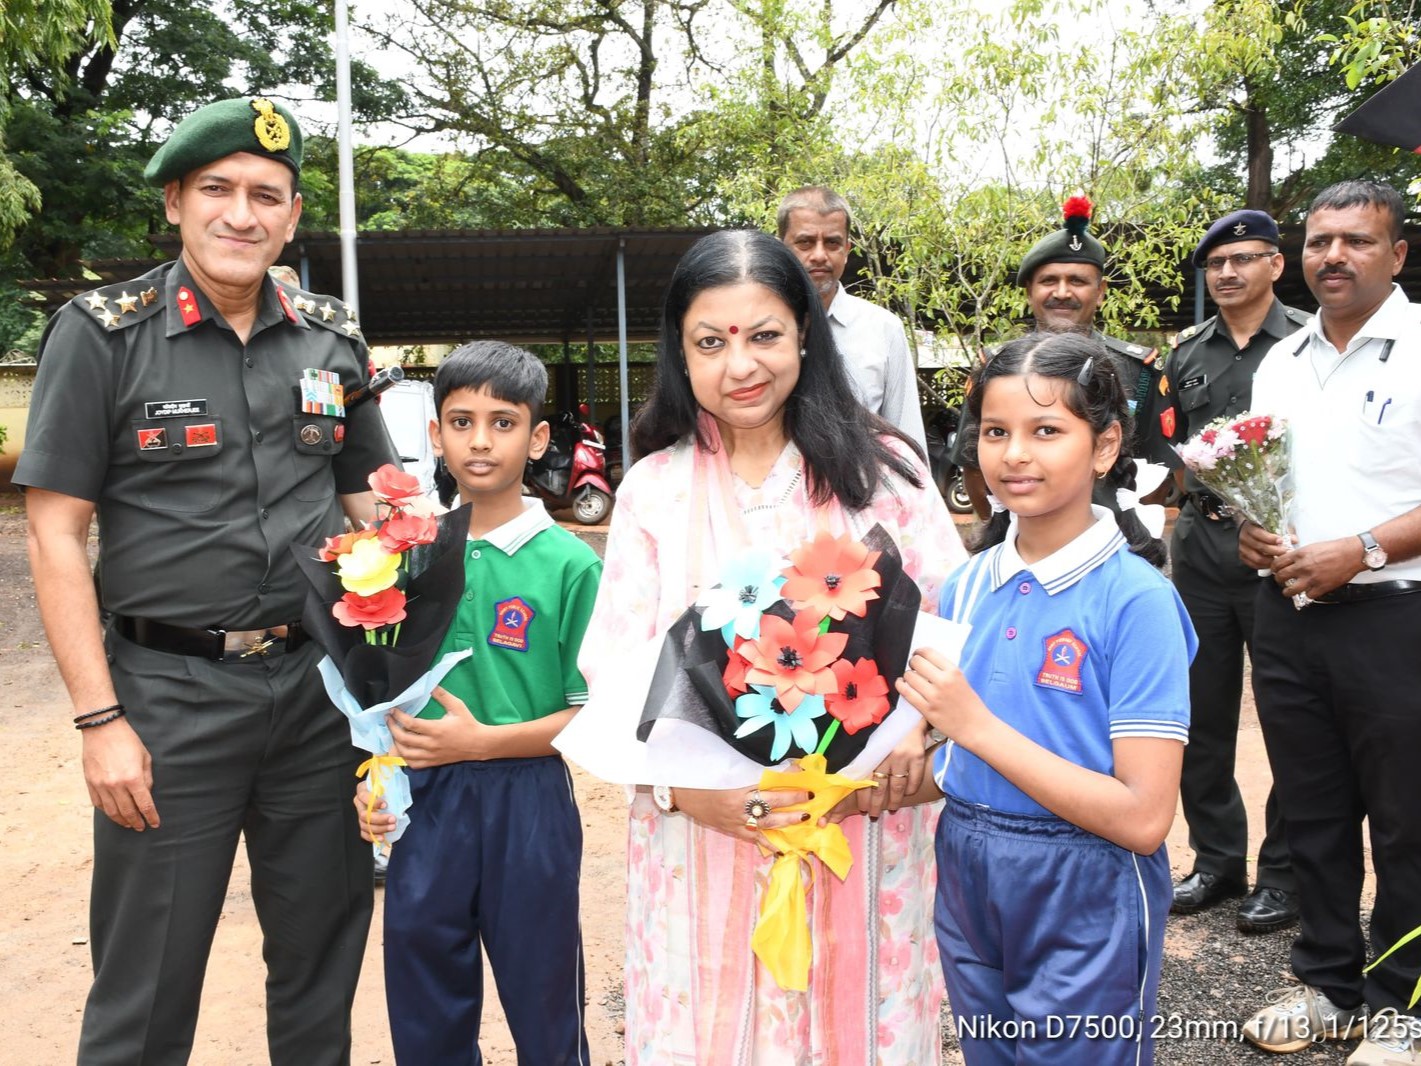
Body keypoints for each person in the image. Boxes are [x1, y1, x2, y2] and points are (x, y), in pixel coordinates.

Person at [15, 97, 396, 1064]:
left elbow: (374, 511)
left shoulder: (328, 338)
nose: (242, 214)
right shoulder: (104, 333)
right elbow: (55, 532)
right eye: (217, 190)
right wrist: (102, 725)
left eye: (266, 195)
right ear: (177, 202)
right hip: (166, 701)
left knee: (321, 964)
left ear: (294, 216)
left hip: (315, 695)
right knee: (147, 985)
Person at [573, 228, 967, 1062]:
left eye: (763, 336)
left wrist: (918, 738)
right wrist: (684, 794)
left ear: (803, 335)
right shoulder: (652, 489)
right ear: (680, 354)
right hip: (702, 842)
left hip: (861, 828)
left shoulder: (885, 472)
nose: (739, 365)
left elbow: (952, 619)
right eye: (709, 342)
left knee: (863, 1024)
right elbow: (615, 670)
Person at [896, 331, 1197, 1065]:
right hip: (967, 861)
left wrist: (972, 725)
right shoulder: (966, 584)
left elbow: (1143, 818)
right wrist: (896, 769)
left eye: (1046, 431)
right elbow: (952, 754)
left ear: (1103, 446)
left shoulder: (1136, 601)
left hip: (1085, 878)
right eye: (995, 432)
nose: (1014, 454)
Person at [356, 341, 601, 1065]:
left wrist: (483, 743)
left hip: (527, 804)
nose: (480, 440)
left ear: (538, 437)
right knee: (424, 999)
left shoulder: (571, 564)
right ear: (435, 435)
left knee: (545, 995)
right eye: (460, 422)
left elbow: (591, 716)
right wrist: (374, 781)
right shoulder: (404, 556)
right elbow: (375, 697)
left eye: (503, 421)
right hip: (424, 803)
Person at [1238, 180, 1421, 1064]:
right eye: (1318, 243)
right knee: (1309, 810)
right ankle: (1325, 982)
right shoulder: (1281, 360)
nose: (1332, 258)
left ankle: (1402, 1006)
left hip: (1398, 617)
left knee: (1407, 819)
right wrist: (1251, 534)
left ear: (1396, 254)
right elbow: (1265, 482)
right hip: (1289, 616)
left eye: (1354, 241)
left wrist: (1363, 550)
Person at [1154, 210, 1307, 933]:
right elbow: (1178, 463)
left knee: (1290, 717)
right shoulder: (1186, 354)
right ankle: (1216, 860)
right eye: (1215, 263)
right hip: (1204, 551)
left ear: (1276, 265)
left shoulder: (1308, 343)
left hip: (1283, 550)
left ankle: (1283, 873)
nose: (1226, 273)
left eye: (1243, 259)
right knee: (1200, 715)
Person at [956, 196, 1173, 518]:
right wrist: (998, 535)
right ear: (1029, 291)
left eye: (1077, 281)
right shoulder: (996, 369)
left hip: (1111, 543)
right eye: (1048, 280)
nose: (1061, 292)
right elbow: (972, 467)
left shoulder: (1137, 370)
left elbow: (1157, 470)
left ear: (1100, 292)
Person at [777, 185, 929, 451]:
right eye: (805, 242)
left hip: (861, 489)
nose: (820, 255)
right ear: (781, 247)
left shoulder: (883, 329)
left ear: (847, 249)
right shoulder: (757, 328)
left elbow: (907, 434)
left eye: (832, 243)